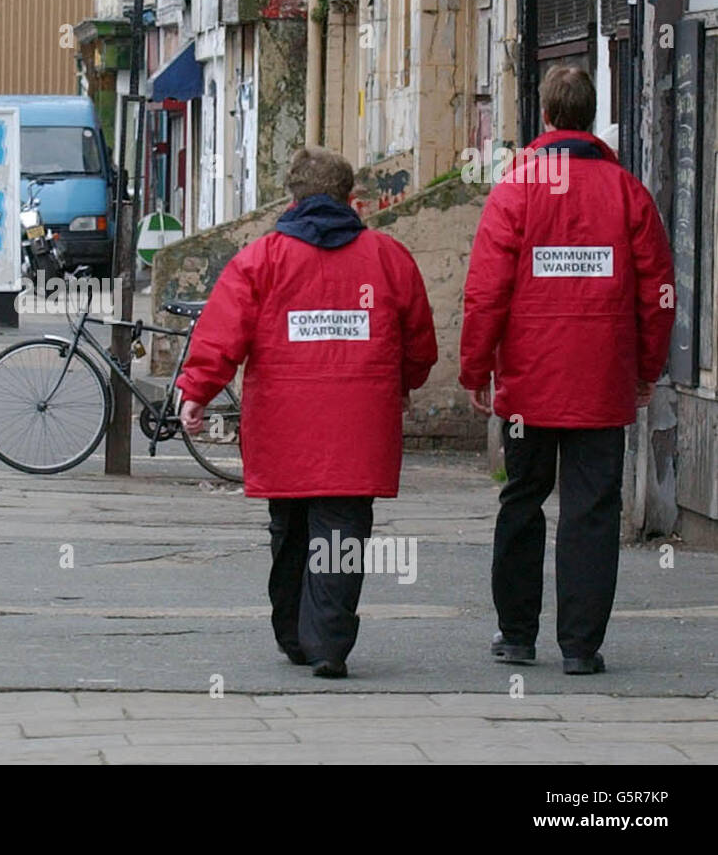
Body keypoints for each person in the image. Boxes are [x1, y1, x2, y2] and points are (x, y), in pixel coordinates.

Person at [177, 148, 438, 678]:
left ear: (292, 197)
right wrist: (404, 383)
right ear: (350, 198)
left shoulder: (260, 260)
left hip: (283, 422)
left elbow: (222, 333)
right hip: (359, 423)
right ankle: (329, 644)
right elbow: (419, 342)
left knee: (289, 526)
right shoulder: (388, 257)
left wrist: (195, 392)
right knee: (342, 530)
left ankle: (294, 633)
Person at [460, 65, 675, 675]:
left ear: (547, 118)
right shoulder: (628, 193)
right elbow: (658, 291)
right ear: (590, 116)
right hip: (602, 381)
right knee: (592, 509)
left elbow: (486, 292)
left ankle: (517, 635)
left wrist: (478, 367)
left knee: (523, 500)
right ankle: (580, 646)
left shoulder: (517, 187)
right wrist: (646, 368)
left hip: (529, 385)